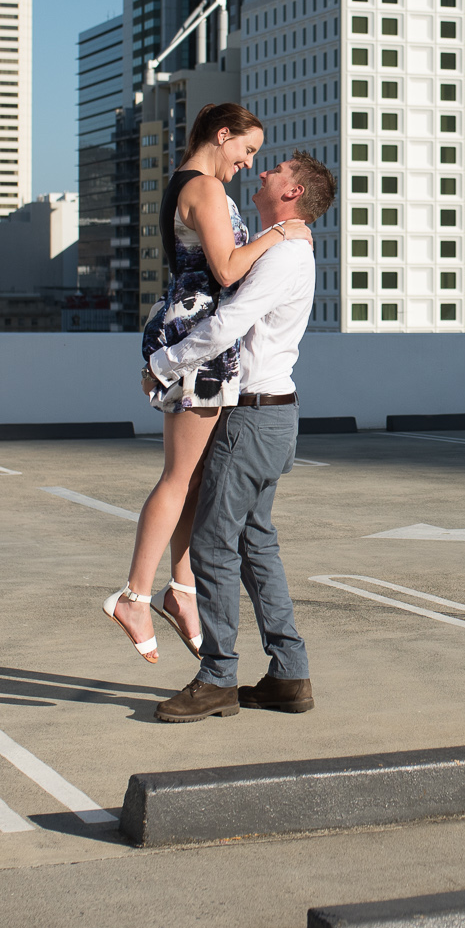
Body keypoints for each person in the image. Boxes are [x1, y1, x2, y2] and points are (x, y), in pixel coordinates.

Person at [100, 103, 311, 664]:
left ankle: (181, 592)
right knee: (178, 478)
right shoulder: (207, 190)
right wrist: (279, 234)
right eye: (247, 150)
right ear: (223, 136)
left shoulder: (186, 183)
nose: (248, 163)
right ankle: (136, 597)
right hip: (200, 342)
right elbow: (225, 269)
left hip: (190, 331)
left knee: (191, 480)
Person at [140, 149, 336, 723]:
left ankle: (218, 678)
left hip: (253, 417)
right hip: (269, 415)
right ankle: (289, 675)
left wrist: (165, 361)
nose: (262, 171)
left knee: (212, 545)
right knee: (255, 546)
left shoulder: (286, 255)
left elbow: (228, 322)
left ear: (294, 193)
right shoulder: (285, 244)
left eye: (275, 170)